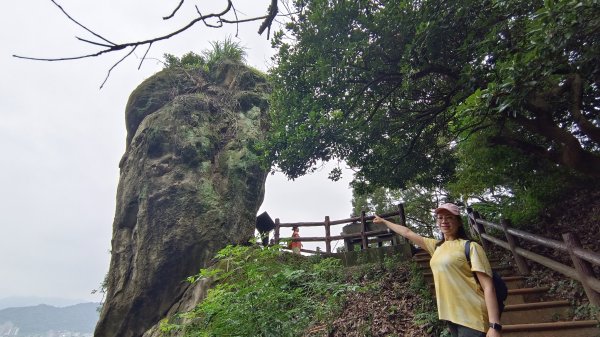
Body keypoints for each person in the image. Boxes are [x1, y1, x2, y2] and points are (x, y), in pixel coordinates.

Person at [373, 203, 502, 337]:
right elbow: (407, 232)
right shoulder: (436, 247)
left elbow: (488, 286)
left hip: (473, 315)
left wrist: (494, 325)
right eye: (440, 218)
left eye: (449, 217)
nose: (444, 221)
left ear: (458, 222)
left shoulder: (471, 247)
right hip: (452, 316)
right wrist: (384, 222)